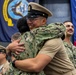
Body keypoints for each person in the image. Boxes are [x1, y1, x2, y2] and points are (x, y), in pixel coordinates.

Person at [6, 2, 76, 75]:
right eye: (28, 18)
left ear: (43, 21)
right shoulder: (31, 38)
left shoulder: (53, 39)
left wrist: (14, 62)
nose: (29, 22)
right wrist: (9, 48)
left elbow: (36, 66)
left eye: (33, 19)